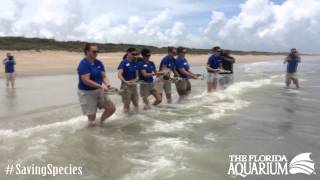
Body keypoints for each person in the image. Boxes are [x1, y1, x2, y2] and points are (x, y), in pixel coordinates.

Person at [77, 43, 116, 127]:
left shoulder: (98, 63)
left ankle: (101, 122)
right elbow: (86, 80)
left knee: (111, 109)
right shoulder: (83, 64)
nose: (96, 53)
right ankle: (91, 136)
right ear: (87, 52)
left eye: (97, 51)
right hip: (87, 93)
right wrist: (100, 86)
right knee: (92, 120)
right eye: (94, 51)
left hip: (99, 90)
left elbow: (104, 76)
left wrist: (108, 85)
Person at [118, 48, 139, 113]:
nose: (134, 56)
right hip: (126, 86)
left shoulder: (135, 62)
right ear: (128, 53)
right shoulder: (123, 62)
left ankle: (136, 117)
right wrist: (125, 82)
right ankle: (125, 120)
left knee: (136, 104)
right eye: (133, 54)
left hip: (134, 85)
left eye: (135, 54)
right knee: (126, 105)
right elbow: (119, 75)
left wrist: (137, 78)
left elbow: (137, 75)